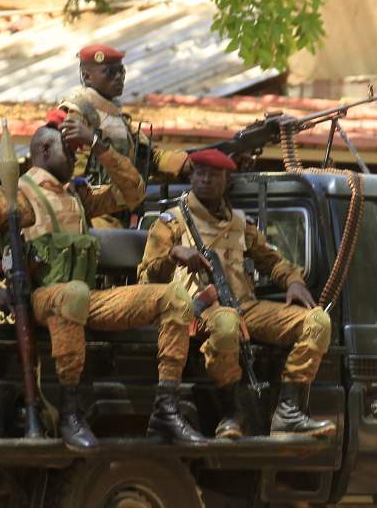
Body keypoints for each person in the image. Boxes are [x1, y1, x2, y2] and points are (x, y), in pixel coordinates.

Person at [0, 113, 206, 449]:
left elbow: (134, 192)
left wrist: (99, 147)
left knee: (175, 297)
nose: (74, 157)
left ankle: (166, 408)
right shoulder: (17, 195)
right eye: (67, 151)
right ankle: (70, 410)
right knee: (74, 294)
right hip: (42, 300)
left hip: (86, 300)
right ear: (41, 151)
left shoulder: (77, 196)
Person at [137, 148, 335, 440]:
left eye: (214, 175)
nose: (205, 179)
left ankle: (288, 410)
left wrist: (293, 281)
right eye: (200, 172)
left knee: (317, 322)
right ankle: (231, 410)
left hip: (245, 307)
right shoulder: (173, 222)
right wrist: (172, 255)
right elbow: (145, 277)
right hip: (198, 310)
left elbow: (274, 261)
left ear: (227, 180)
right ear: (191, 175)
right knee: (226, 324)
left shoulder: (240, 223)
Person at [57, 43, 191, 227]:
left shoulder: (118, 117)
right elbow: (69, 175)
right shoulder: (78, 113)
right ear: (87, 76)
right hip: (93, 214)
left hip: (123, 207)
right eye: (109, 72)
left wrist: (189, 162)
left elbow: (149, 156)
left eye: (121, 72)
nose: (119, 77)